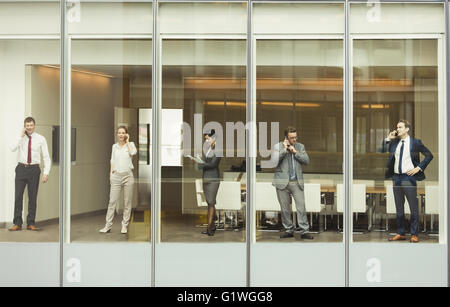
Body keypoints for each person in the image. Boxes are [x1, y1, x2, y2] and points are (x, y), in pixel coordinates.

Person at [385, 119, 433, 243]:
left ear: (407, 129)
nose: (397, 129)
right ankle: (401, 233)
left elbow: (429, 155)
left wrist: (419, 168)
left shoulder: (415, 143)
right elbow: (384, 150)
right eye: (397, 127)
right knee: (399, 207)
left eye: (400, 127)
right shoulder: (394, 142)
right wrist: (388, 139)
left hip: (408, 177)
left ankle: (414, 234)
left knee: (413, 207)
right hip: (396, 177)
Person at [9, 117, 50, 231]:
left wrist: (46, 172)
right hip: (21, 168)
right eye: (27, 126)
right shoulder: (20, 138)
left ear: (34, 125)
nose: (29, 127)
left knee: (32, 197)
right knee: (18, 197)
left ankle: (31, 223)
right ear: (24, 126)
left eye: (31, 125)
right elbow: (12, 148)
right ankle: (17, 223)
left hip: (34, 169)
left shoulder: (41, 139)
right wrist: (20, 136)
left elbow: (46, 156)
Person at [271, 126, 313, 240]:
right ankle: (289, 229)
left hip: (296, 182)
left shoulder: (300, 146)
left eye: (295, 137)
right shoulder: (278, 146)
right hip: (282, 182)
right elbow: (274, 162)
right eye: (291, 138)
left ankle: (304, 231)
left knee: (301, 207)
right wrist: (284, 150)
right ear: (286, 137)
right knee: (285, 208)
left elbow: (307, 160)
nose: (294, 140)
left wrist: (295, 152)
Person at [99, 126, 137, 234]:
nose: (121, 135)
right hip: (116, 176)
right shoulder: (114, 146)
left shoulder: (131, 145)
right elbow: (112, 160)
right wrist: (111, 174)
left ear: (126, 134)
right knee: (112, 202)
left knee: (127, 202)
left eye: (123, 133)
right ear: (117, 134)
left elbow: (133, 153)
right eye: (119, 133)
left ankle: (124, 225)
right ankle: (107, 226)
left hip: (127, 176)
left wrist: (128, 141)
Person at [197, 129, 221, 236]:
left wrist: (201, 164)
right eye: (205, 139)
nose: (206, 141)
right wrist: (198, 161)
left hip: (213, 179)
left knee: (211, 203)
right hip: (206, 178)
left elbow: (213, 164)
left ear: (214, 138)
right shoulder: (207, 149)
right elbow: (205, 163)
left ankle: (209, 228)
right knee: (210, 202)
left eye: (208, 138)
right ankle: (213, 224)